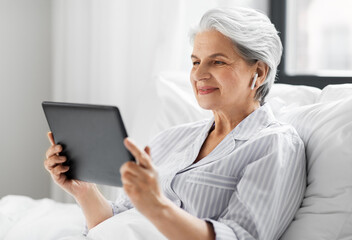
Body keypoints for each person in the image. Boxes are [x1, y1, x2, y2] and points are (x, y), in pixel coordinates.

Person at [44, 7, 306, 240]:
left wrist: (157, 206)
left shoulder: (275, 145)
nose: (199, 74)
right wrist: (84, 190)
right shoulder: (171, 139)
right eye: (195, 62)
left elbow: (240, 236)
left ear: (259, 72)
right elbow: (117, 223)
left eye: (217, 61)